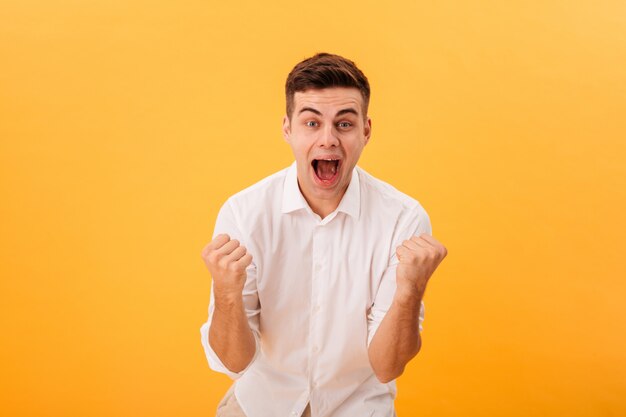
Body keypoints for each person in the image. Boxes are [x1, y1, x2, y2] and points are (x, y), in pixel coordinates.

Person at [200, 52, 448, 417]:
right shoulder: (244, 213)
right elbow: (234, 363)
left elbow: (387, 367)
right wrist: (226, 292)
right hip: (260, 407)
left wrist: (410, 291)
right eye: (312, 123)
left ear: (366, 130)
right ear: (288, 129)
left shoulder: (403, 219)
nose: (328, 139)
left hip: (357, 409)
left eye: (344, 124)